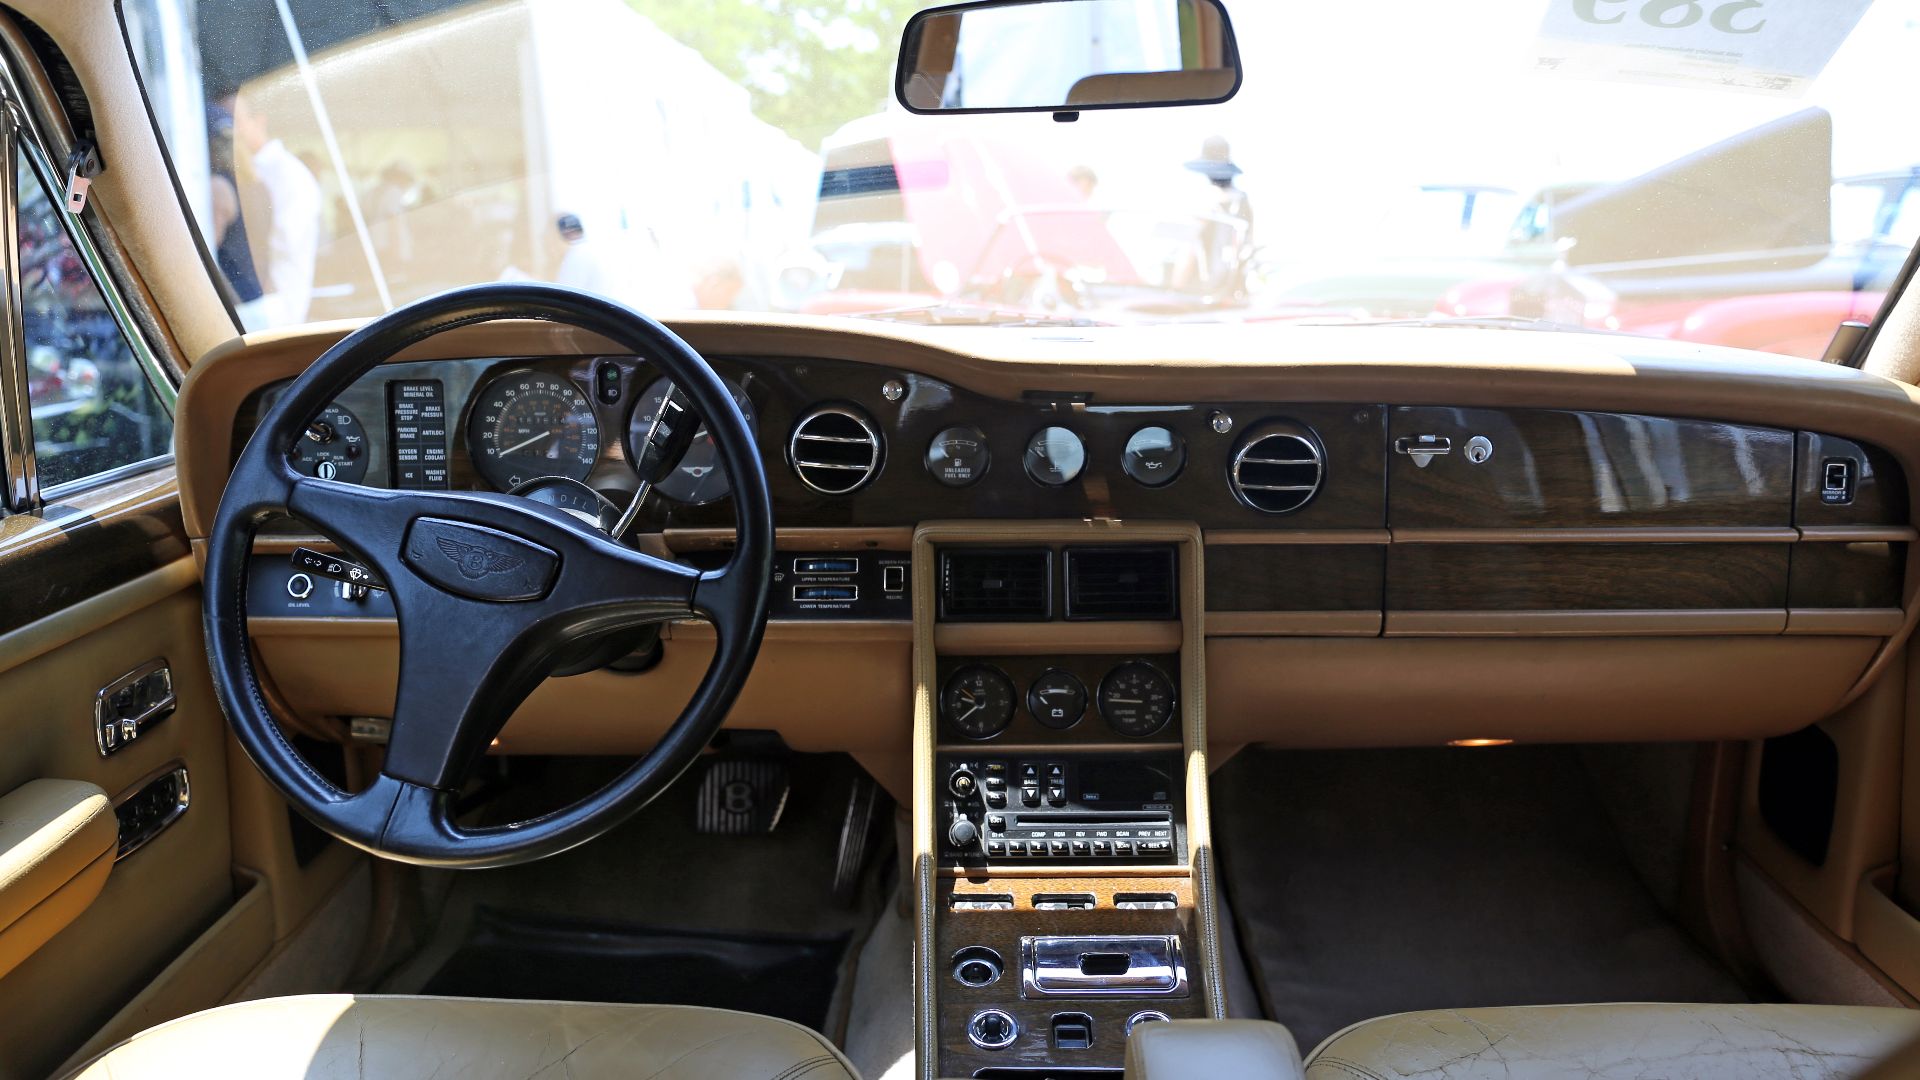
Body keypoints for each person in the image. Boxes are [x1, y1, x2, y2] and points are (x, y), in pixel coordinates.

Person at [229, 90, 321, 328]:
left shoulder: (288, 174)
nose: (230, 132)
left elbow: (280, 245)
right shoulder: (244, 171)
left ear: (259, 121)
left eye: (236, 122)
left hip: (274, 313)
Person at [1175, 135, 1255, 297]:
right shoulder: (1242, 200)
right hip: (1231, 294)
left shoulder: (1206, 201)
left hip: (1198, 296)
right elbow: (1249, 246)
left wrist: (1174, 290)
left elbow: (1189, 250)